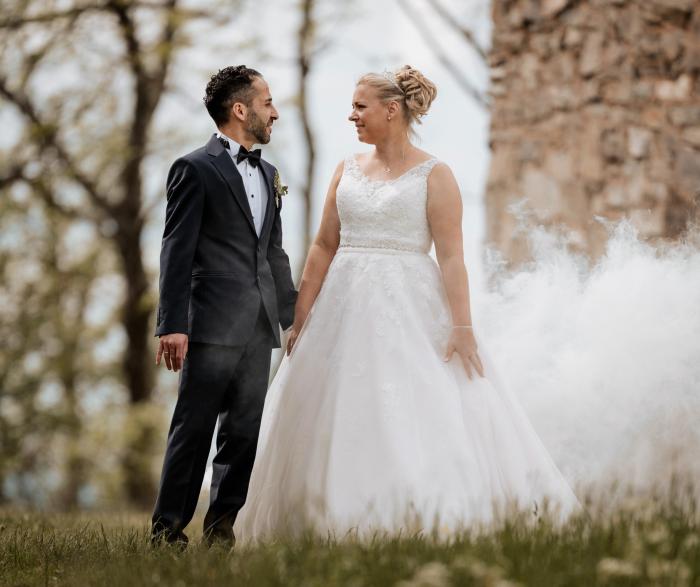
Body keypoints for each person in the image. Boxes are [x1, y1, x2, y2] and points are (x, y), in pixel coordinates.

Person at [234, 65, 579, 542]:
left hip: (410, 304)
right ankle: (321, 520)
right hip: (342, 305)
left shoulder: (435, 175)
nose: (351, 115)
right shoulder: (345, 170)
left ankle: (419, 516)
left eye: (360, 106)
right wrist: (301, 311)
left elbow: (453, 257)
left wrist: (462, 326)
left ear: (391, 110)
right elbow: (322, 245)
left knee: (416, 404)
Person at [151, 65, 297, 547]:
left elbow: (272, 252)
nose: (274, 112)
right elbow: (176, 248)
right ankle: (167, 534)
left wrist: (293, 316)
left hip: (258, 326)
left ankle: (221, 535)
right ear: (241, 110)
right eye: (267, 102)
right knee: (192, 434)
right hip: (210, 324)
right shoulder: (194, 168)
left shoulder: (271, 174)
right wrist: (172, 323)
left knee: (243, 436)